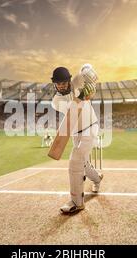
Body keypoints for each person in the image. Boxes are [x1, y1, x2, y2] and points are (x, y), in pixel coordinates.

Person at [50, 64, 103, 214]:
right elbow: (73, 109)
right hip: (75, 133)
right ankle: (97, 178)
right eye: (58, 83)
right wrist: (82, 95)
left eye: (64, 82)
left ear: (69, 80)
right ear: (55, 84)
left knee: (75, 161)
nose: (61, 86)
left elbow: (91, 72)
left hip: (91, 126)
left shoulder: (78, 80)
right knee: (83, 164)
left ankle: (76, 201)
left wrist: (88, 74)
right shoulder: (56, 101)